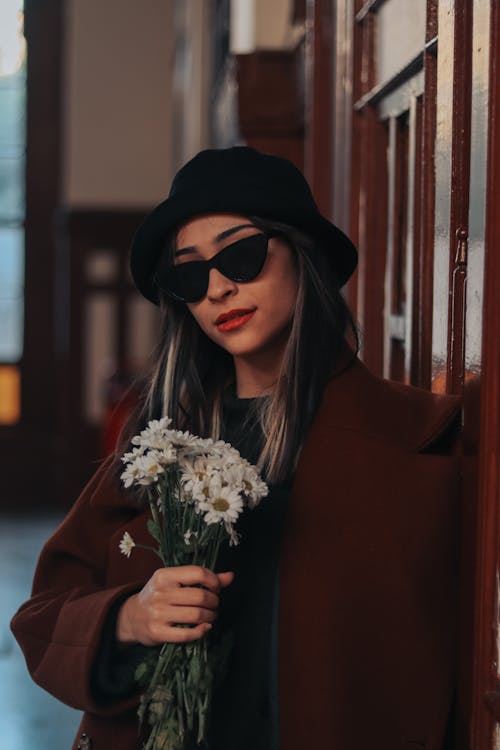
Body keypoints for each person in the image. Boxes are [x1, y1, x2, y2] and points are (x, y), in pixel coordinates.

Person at [11, 146, 462, 750]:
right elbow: (44, 615)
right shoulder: (159, 446)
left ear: (304, 257)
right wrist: (128, 617)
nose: (218, 288)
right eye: (189, 274)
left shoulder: (418, 440)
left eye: (242, 254)